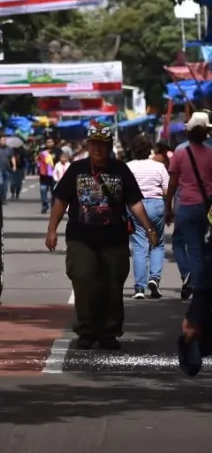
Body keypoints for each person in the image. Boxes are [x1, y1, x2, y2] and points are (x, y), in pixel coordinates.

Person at [46, 121, 157, 350]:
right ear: (88, 145)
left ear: (109, 147)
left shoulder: (121, 170)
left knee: (112, 285)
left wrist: (148, 228)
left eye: (102, 145)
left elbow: (134, 202)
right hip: (81, 237)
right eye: (94, 144)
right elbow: (61, 201)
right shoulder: (76, 170)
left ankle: (109, 332)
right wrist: (51, 229)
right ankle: (87, 330)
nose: (98, 149)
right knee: (84, 279)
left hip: (113, 239)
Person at [166, 112, 212, 301]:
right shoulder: (210, 153)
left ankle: (195, 284)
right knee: (200, 246)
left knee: (188, 246)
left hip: (185, 205)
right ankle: (196, 280)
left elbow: (173, 182)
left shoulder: (179, 153)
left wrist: (167, 205)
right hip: (206, 208)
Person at [125, 134, 168, 299]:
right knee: (157, 243)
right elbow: (166, 190)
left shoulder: (128, 167)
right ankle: (154, 278)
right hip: (156, 205)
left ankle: (139, 288)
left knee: (139, 246)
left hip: (135, 206)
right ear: (149, 150)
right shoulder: (158, 167)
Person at [36, 144, 55, 213]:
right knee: (43, 190)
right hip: (43, 177)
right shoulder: (40, 156)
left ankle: (54, 206)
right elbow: (38, 165)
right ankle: (45, 206)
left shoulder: (56, 152)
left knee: (54, 192)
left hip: (54, 177)